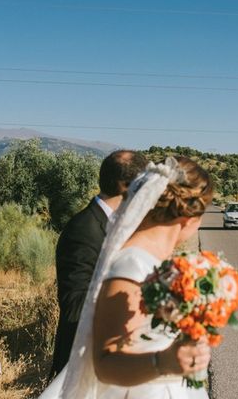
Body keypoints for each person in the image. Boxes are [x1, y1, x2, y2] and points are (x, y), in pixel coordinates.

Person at [40, 156, 214, 399]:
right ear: (190, 219)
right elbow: (105, 363)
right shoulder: (133, 263)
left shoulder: (154, 262)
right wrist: (164, 362)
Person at [50, 149, 147, 377]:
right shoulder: (83, 230)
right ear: (127, 187)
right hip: (84, 362)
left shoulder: (119, 226)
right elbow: (73, 306)